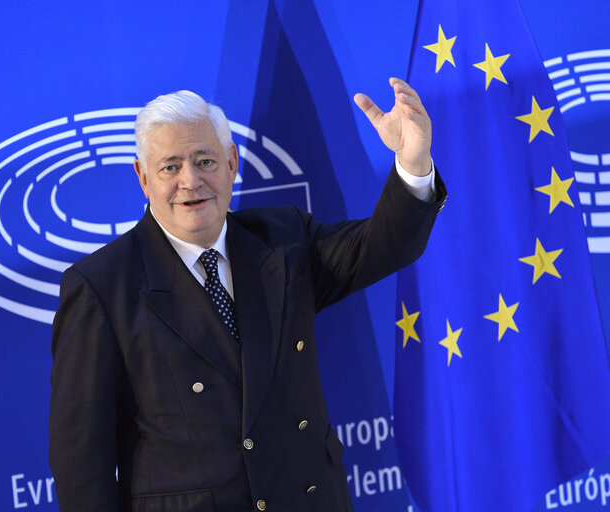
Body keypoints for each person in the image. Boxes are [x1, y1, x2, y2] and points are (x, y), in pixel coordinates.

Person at [49, 80, 446, 512]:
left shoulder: (284, 240)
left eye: (205, 161)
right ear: (143, 177)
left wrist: (412, 162)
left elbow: (384, 246)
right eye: (170, 167)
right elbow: (81, 465)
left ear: (232, 163)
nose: (191, 181)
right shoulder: (101, 286)